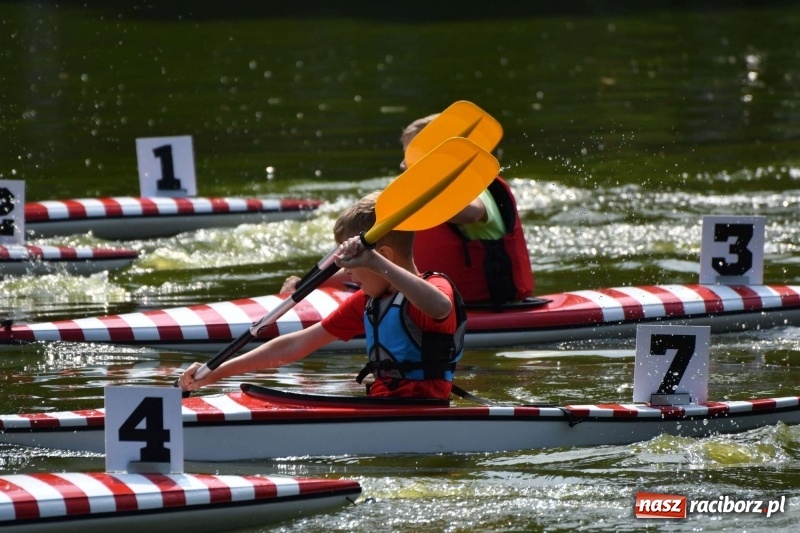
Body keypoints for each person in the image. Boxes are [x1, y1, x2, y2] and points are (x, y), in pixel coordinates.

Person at [179, 191, 466, 400]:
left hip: (421, 411)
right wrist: (217, 372)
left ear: (384, 258)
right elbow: (294, 345)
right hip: (382, 404)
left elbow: (440, 307)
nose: (348, 274)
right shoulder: (368, 302)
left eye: (354, 265)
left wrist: (374, 262)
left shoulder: (434, 289)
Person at [282, 113, 534, 309]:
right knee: (303, 286)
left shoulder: (472, 188)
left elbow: (472, 213)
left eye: (414, 155)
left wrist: (415, 198)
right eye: (406, 155)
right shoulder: (415, 195)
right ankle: (300, 289)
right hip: (418, 290)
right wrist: (308, 286)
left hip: (472, 305)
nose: (404, 164)